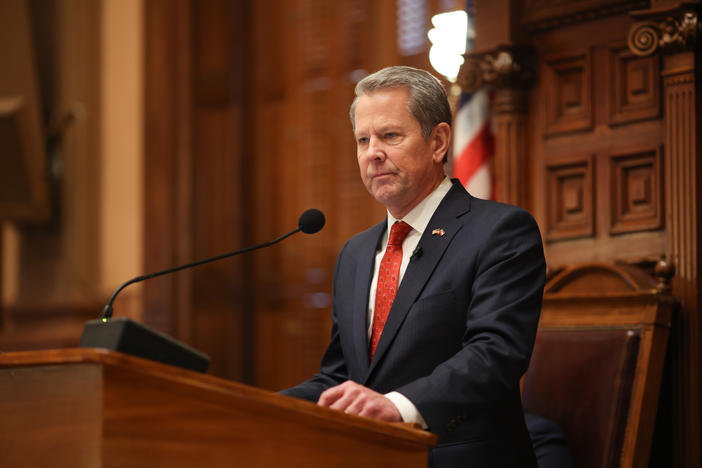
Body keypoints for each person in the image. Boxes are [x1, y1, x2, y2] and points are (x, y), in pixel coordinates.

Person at [281, 65, 546, 468]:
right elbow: (341, 378)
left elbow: (496, 354)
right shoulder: (354, 254)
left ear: (438, 141)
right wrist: (258, 406)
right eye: (363, 140)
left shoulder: (500, 231)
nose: (373, 153)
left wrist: (398, 406)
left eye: (389, 136)